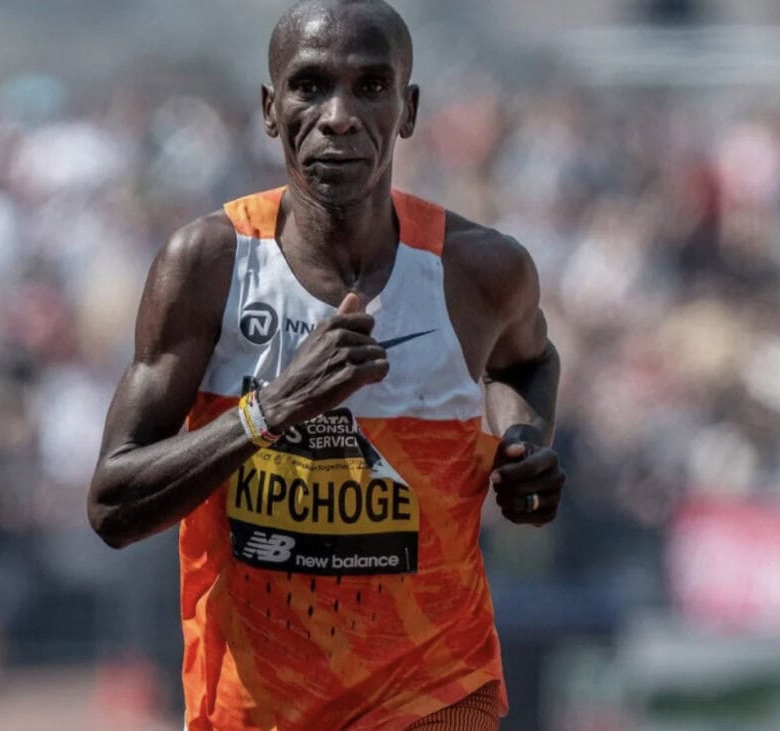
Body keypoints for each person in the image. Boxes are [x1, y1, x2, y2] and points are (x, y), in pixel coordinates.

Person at [87, 1, 565, 728]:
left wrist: (526, 442)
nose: (339, 115)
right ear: (270, 109)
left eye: (370, 87)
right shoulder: (209, 266)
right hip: (254, 708)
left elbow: (526, 364)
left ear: (406, 111)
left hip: (434, 698)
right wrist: (272, 407)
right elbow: (114, 505)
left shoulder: (479, 271)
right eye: (310, 86)